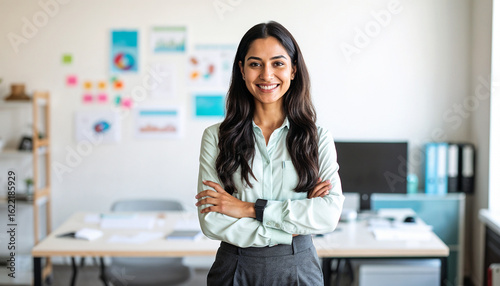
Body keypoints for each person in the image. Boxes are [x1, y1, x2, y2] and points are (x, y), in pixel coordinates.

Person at [195, 21, 344, 285]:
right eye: (255, 64)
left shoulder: (317, 138)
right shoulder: (216, 137)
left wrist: (246, 208)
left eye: (278, 63)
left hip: (299, 268)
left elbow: (327, 215)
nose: (266, 75)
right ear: (241, 70)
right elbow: (213, 222)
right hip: (235, 267)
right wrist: (294, 225)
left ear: (293, 69)